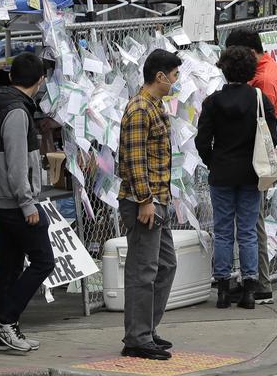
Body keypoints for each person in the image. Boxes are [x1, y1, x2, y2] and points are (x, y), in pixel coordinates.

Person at [194, 46, 277, 311]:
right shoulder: (259, 99)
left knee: (222, 231)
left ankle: (222, 288)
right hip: (252, 173)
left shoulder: (212, 102)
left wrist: (213, 161)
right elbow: (271, 138)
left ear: (223, 68)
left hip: (221, 173)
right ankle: (250, 289)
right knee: (248, 231)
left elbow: (202, 141)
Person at [117, 49, 182, 361]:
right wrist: (145, 201)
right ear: (160, 76)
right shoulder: (141, 108)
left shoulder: (155, 105)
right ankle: (138, 339)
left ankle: (146, 328)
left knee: (166, 265)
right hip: (145, 202)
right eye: (174, 75)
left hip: (159, 201)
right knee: (143, 271)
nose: (175, 80)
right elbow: (134, 159)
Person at [0, 53, 51, 353]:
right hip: (15, 204)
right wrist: (27, 203)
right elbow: (16, 163)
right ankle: (6, 320)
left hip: (6, 203)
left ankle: (3, 332)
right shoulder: (17, 112)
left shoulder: (6, 106)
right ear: (39, 80)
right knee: (43, 261)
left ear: (13, 77)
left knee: (8, 269)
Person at [223, 29, 277, 305]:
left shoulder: (264, 79)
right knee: (251, 224)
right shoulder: (264, 71)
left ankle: (261, 282)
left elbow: (265, 124)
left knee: (251, 225)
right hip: (252, 160)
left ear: (248, 51)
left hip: (254, 162)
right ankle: (257, 280)